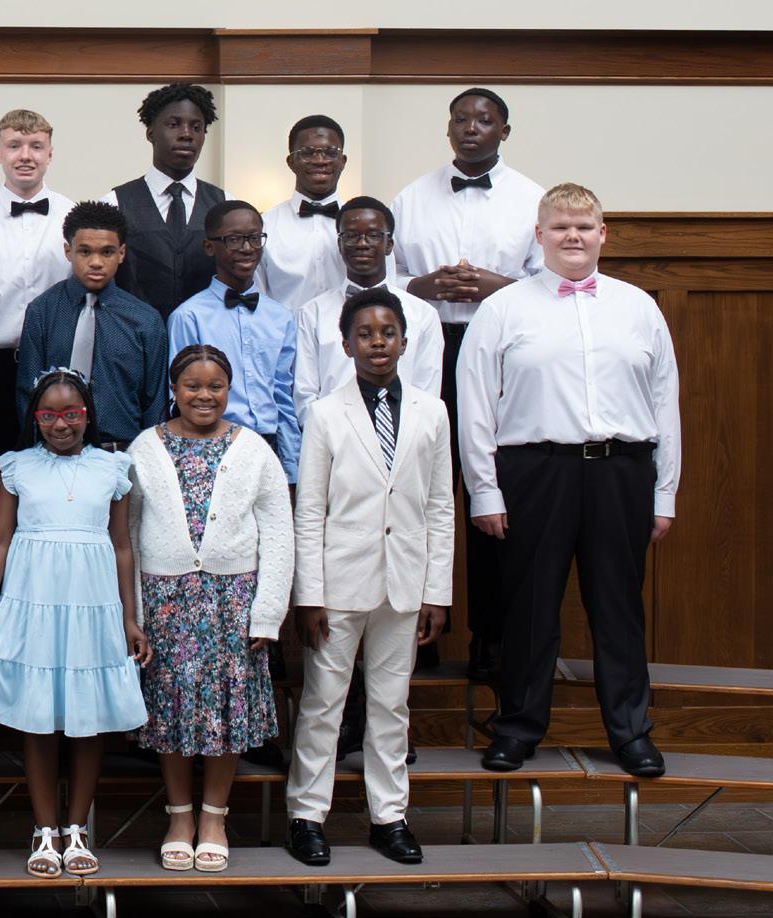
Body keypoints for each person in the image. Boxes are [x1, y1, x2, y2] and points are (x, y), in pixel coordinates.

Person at [457, 183, 679, 779]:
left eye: (583, 227)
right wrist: (484, 489)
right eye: (560, 227)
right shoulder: (503, 309)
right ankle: (516, 728)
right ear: (540, 235)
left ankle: (631, 732)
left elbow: (665, 406)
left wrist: (663, 492)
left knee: (619, 607)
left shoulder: (639, 307)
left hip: (622, 470)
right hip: (535, 471)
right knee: (528, 607)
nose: (572, 236)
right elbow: (475, 405)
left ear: (603, 234)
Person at [286, 288, 452, 869]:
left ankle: (390, 817)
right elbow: (310, 509)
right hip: (338, 584)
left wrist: (437, 591)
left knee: (391, 705)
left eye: (387, 333)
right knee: (323, 703)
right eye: (365, 334)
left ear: (404, 341)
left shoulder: (432, 412)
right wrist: (309, 595)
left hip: (404, 583)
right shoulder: (325, 413)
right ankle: (307, 816)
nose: (377, 343)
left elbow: (440, 507)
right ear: (346, 344)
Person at [390, 87, 546, 682]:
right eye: (461, 119)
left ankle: (491, 637)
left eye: (485, 119)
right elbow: (383, 275)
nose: (471, 127)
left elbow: (552, 285)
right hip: (426, 351)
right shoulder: (411, 197)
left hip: (502, 356)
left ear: (505, 130)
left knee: (491, 495)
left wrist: (496, 287)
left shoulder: (532, 198)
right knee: (417, 490)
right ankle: (414, 630)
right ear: (448, 128)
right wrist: (423, 286)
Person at [0, 369, 149, 879]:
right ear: (35, 417)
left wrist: (129, 618)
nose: (61, 424)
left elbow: (122, 546)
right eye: (49, 415)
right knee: (38, 718)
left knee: (87, 721)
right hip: (34, 602)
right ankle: (44, 829)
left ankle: (77, 829)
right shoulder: (17, 466)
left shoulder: (113, 468)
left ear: (88, 414)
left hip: (92, 605)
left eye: (71, 414)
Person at [129, 345, 293, 873]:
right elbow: (127, 532)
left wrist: (267, 612)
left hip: (232, 600)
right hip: (165, 600)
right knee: (172, 708)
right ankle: (179, 817)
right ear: (174, 389)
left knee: (227, 708)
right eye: (193, 386)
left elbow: (279, 533)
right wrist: (133, 613)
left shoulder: (254, 449)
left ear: (229, 389)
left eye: (215, 386)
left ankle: (215, 818)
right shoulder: (144, 447)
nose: (204, 395)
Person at [0, 109, 75, 452]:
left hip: (58, 360)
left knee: (56, 458)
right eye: (14, 145)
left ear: (50, 153)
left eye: (36, 146)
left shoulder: (73, 217)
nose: (25, 156)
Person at [13, 202, 167, 450]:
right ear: (68, 251)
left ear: (121, 253)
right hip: (53, 453)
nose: (96, 262)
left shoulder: (145, 320)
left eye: (107, 252)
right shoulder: (42, 312)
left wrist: (148, 457)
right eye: (85, 252)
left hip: (122, 454)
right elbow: (27, 394)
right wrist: (36, 455)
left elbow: (155, 403)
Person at [168, 201, 300, 482]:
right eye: (234, 239)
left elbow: (283, 397)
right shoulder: (189, 316)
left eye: (254, 238)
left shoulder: (281, 317)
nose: (247, 248)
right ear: (209, 247)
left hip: (270, 447)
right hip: (211, 446)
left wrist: (292, 471)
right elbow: (180, 398)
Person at [294, 197, 444, 413]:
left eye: (373, 235)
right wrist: (328, 431)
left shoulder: (423, 314)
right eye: (351, 236)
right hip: (331, 430)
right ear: (339, 244)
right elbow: (305, 395)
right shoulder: (312, 314)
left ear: (389, 244)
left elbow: (427, 395)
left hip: (404, 430)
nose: (362, 244)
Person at [98, 83, 226, 318]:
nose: (186, 134)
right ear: (150, 133)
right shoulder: (114, 203)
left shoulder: (225, 205)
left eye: (196, 127)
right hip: (134, 334)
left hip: (206, 335)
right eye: (173, 124)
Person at [257, 115, 348, 310]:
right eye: (307, 153)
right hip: (286, 330)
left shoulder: (367, 228)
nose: (320, 160)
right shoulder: (264, 226)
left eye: (330, 152)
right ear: (291, 162)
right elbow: (258, 300)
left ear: (342, 161)